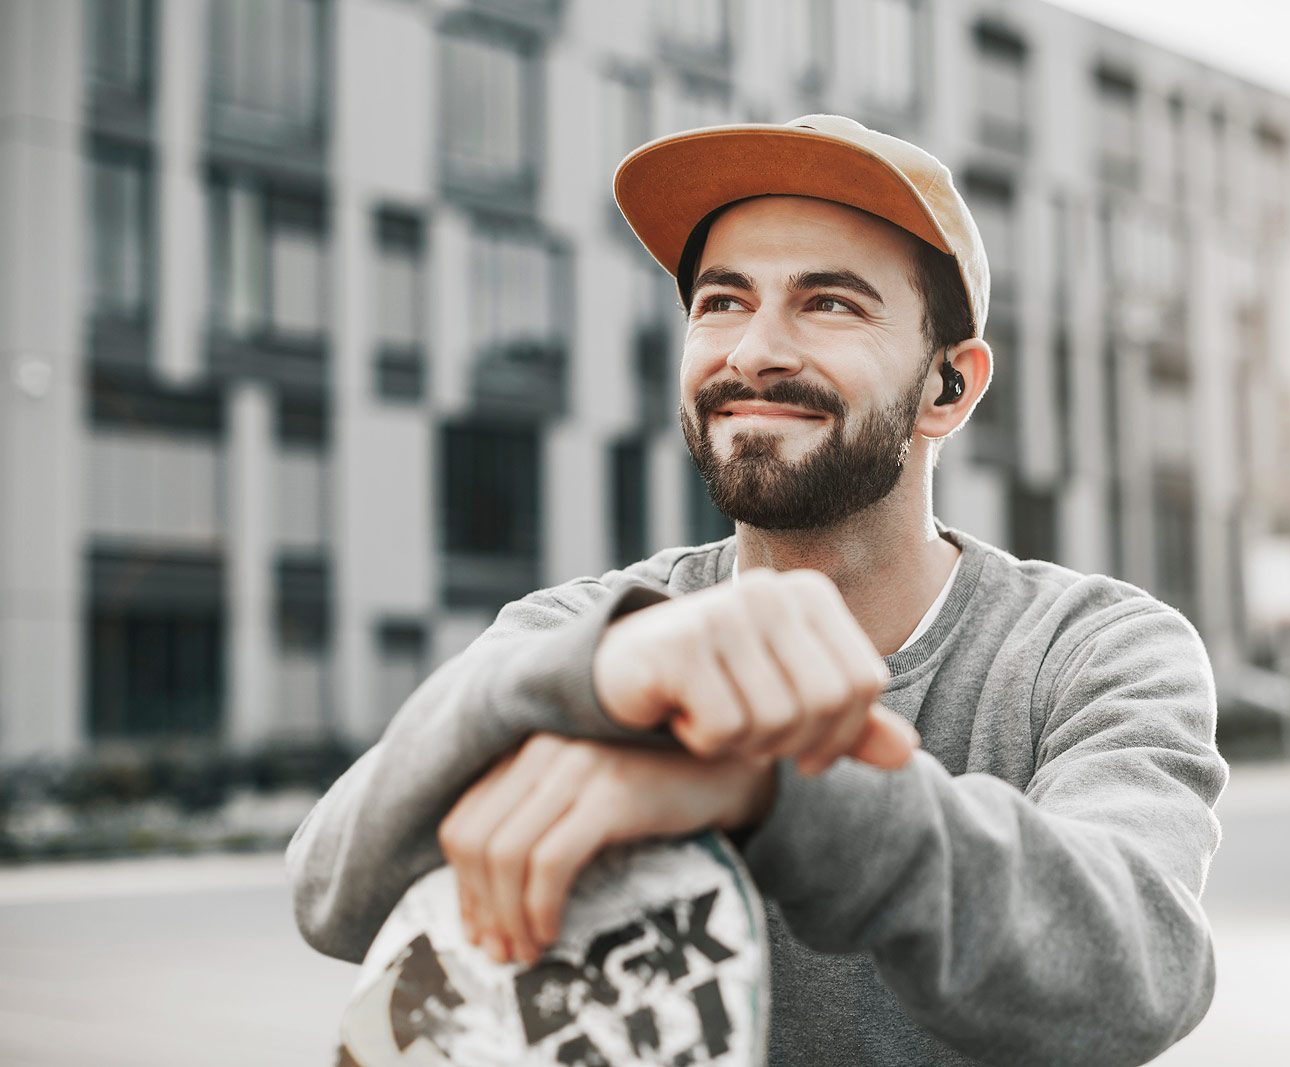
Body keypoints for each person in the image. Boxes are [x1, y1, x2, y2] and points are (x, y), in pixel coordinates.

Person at [289, 114, 1229, 1067]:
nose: (753, 352)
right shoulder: (589, 632)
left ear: (948, 385)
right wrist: (608, 680)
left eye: (829, 304)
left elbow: (1138, 967)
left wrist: (764, 784)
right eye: (722, 301)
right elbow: (332, 886)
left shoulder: (1093, 648)